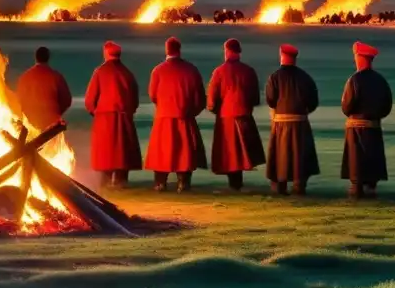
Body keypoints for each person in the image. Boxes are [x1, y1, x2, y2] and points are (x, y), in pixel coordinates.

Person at [144, 37, 207, 192]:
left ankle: (160, 182)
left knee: (161, 152)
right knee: (185, 152)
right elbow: (199, 96)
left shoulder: (158, 70)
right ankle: (183, 182)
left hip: (164, 116)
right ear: (179, 49)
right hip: (184, 116)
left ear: (167, 50)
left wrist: (164, 106)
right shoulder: (191, 70)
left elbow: (152, 94)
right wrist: (192, 112)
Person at [207, 38, 265, 191]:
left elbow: (212, 99)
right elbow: (255, 98)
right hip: (244, 115)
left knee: (230, 153)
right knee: (242, 152)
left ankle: (234, 183)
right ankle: (237, 182)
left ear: (226, 51)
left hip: (226, 117)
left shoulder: (219, 72)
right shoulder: (249, 71)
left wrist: (215, 110)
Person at [85, 41, 142, 188]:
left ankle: (105, 181)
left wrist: (94, 112)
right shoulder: (128, 73)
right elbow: (135, 99)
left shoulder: (100, 72)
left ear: (106, 53)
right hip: (124, 117)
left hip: (104, 118)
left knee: (106, 153)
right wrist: (129, 111)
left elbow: (90, 99)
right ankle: (121, 181)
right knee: (123, 152)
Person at [265, 44, 320, 195]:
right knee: (300, 155)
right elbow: (313, 101)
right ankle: (299, 185)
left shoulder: (274, 77)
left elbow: (270, 100)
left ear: (281, 55)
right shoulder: (305, 77)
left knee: (280, 155)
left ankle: (280, 186)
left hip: (281, 124)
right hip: (300, 123)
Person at [340, 42, 393, 198]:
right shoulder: (381, 80)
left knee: (356, 168)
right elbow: (387, 106)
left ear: (359, 58)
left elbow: (346, 107)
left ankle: (357, 192)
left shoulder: (354, 80)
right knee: (372, 169)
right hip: (374, 128)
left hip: (356, 129)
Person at [17, 46, 72, 131]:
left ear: (36, 58)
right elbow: (67, 100)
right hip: (52, 124)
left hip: (31, 124)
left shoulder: (24, 77)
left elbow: (20, 101)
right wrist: (56, 113)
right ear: (48, 58)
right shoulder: (56, 76)